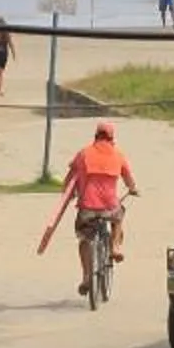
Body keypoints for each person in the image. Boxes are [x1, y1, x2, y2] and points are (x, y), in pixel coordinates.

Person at [47, 119, 140, 291]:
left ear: (96, 135)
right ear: (112, 137)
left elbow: (70, 179)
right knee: (118, 217)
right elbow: (128, 179)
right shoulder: (118, 154)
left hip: (87, 207)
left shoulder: (83, 154)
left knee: (84, 239)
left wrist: (69, 193)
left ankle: (86, 277)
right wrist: (133, 189)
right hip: (110, 206)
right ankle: (115, 247)